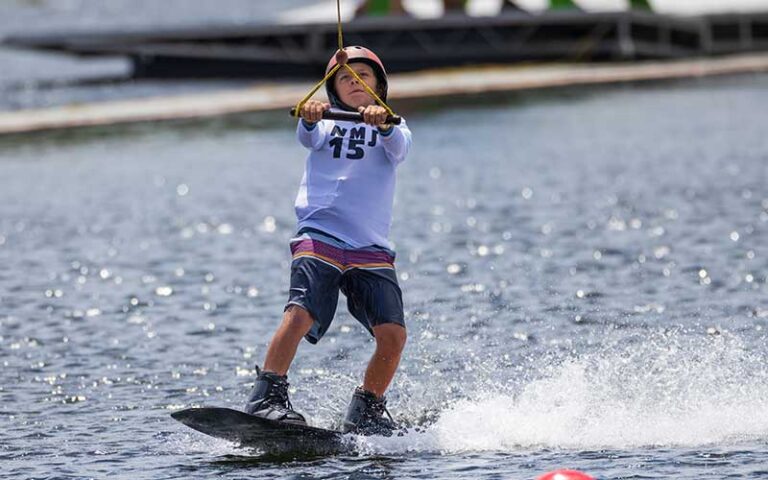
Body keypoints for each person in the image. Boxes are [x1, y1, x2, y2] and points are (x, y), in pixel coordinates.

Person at [244, 46, 412, 437]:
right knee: (300, 313)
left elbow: (398, 148)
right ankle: (266, 396)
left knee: (393, 334)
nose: (355, 84)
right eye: (346, 80)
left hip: (369, 247)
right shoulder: (326, 123)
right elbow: (307, 136)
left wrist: (382, 123)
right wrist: (310, 114)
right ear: (332, 90)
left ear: (379, 86)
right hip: (319, 235)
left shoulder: (395, 128)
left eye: (364, 78)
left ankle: (367, 408)